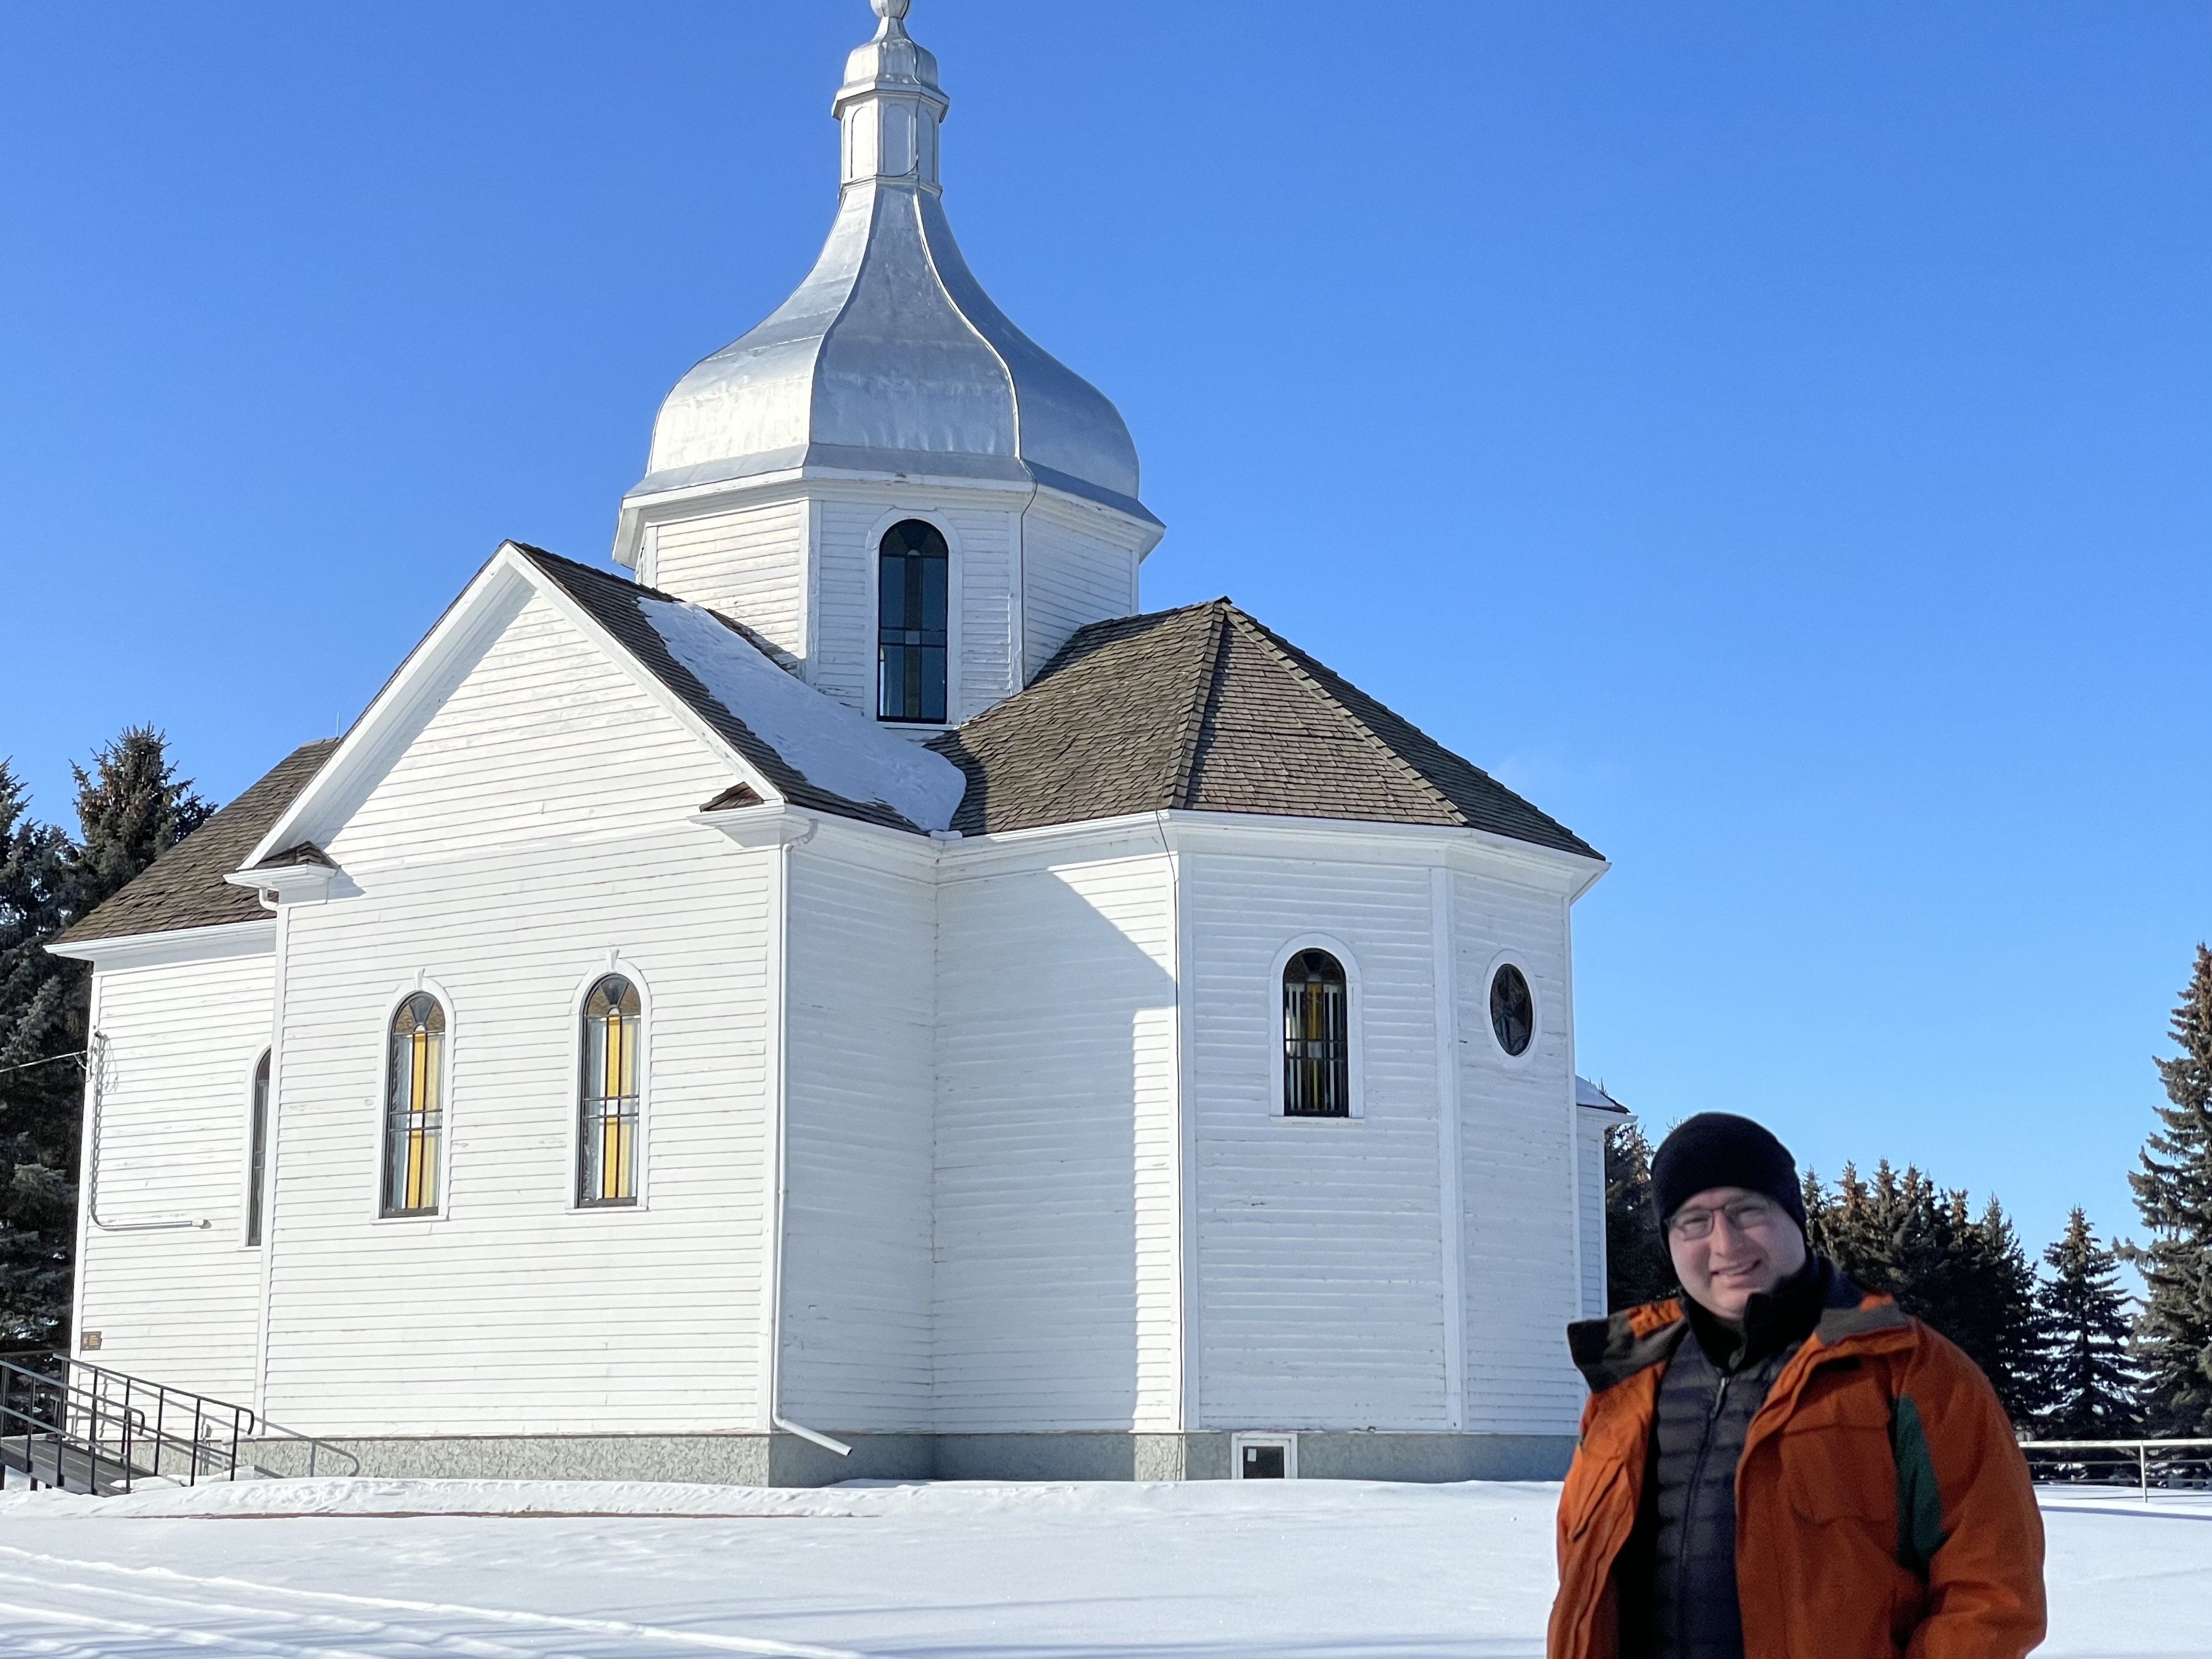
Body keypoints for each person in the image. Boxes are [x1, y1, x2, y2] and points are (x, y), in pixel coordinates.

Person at [1548, 1112, 2046, 1659]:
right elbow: (1584, 1577)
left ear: (1794, 1218)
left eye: (1747, 1211)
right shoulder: (1627, 1389)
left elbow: (1992, 1590)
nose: (1725, 1243)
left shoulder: (1912, 1375)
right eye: (1694, 1221)